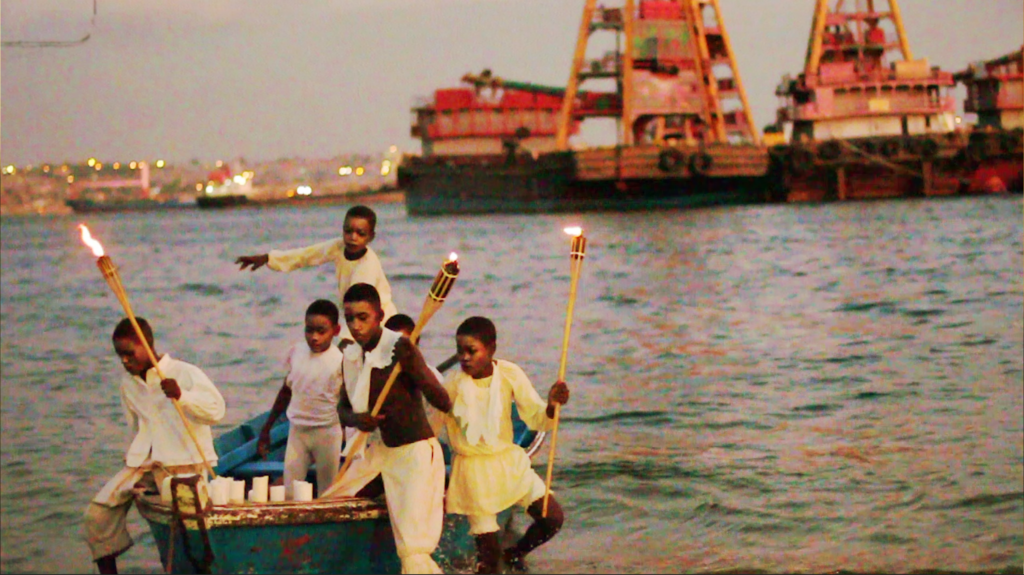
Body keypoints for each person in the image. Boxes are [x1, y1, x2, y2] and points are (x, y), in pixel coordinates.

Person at [83, 317, 226, 575]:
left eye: (129, 353)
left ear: (147, 345)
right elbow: (136, 429)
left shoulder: (184, 372)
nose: (125, 361)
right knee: (97, 516)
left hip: (186, 462)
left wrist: (182, 396)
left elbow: (217, 411)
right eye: (120, 356)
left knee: (190, 530)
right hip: (147, 463)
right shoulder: (128, 384)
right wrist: (135, 470)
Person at [326, 283, 452, 574]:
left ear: (380, 315)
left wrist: (413, 364)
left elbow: (442, 401)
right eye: (350, 318)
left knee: (412, 550)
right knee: (333, 502)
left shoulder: (399, 348)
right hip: (379, 453)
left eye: (363, 317)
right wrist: (360, 420)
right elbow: (342, 410)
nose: (355, 326)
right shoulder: (350, 356)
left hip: (415, 454)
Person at [443, 316, 569, 574]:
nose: (464, 358)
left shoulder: (509, 373)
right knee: (488, 562)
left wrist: (552, 404)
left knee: (552, 518)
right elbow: (430, 429)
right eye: (460, 351)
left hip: (508, 464)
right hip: (473, 473)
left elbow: (536, 416)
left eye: (472, 351)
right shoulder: (453, 386)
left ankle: (515, 553)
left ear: (491, 350)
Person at [234, 205, 398, 341]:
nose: (353, 237)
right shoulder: (339, 247)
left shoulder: (367, 267)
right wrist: (268, 258)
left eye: (360, 233)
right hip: (358, 320)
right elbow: (307, 255)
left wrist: (346, 342)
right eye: (348, 231)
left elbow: (359, 309)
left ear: (371, 237)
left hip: (379, 322)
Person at [257, 299, 345, 497]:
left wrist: (348, 428)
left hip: (327, 433)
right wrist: (267, 427)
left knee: (327, 492)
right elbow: (286, 391)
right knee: (290, 491)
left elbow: (347, 401)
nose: (314, 337)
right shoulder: (297, 352)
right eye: (309, 330)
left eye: (321, 331)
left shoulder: (340, 362)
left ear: (336, 330)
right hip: (298, 432)